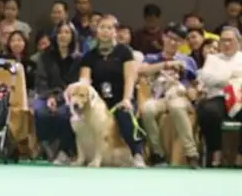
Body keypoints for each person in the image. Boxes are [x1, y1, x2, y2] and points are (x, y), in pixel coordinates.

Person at [78, 14, 145, 167]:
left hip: (119, 101)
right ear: (97, 30)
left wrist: (127, 99)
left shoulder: (124, 52)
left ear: (115, 32)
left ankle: (137, 154)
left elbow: (130, 78)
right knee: (76, 118)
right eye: (102, 27)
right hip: (98, 104)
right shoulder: (89, 56)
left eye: (109, 28)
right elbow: (85, 83)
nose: (105, 31)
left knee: (124, 113)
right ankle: (74, 154)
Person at [137, 23, 199, 167]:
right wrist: (166, 65)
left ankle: (191, 153)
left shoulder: (188, 60)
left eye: (177, 40)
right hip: (159, 96)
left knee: (176, 106)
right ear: (163, 37)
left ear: (182, 42)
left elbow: (195, 83)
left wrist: (193, 91)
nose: (172, 42)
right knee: (147, 109)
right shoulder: (152, 57)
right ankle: (157, 153)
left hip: (180, 96)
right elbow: (141, 71)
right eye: (170, 38)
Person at [33, 22, 81, 164]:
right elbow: (41, 81)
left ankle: (64, 150)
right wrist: (49, 97)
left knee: (65, 113)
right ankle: (48, 145)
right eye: (60, 32)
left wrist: (59, 97)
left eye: (67, 32)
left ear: (73, 36)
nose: (63, 36)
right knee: (40, 111)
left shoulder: (78, 59)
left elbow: (75, 84)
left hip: (69, 97)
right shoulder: (45, 56)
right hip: (47, 95)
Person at [196, 26, 242, 167]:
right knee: (208, 111)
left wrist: (222, 78)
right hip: (218, 98)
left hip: (240, 97)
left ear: (239, 42)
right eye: (223, 41)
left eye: (230, 40)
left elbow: (216, 79)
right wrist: (232, 75)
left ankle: (240, 156)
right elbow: (207, 78)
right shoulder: (212, 59)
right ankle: (216, 152)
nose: (226, 44)